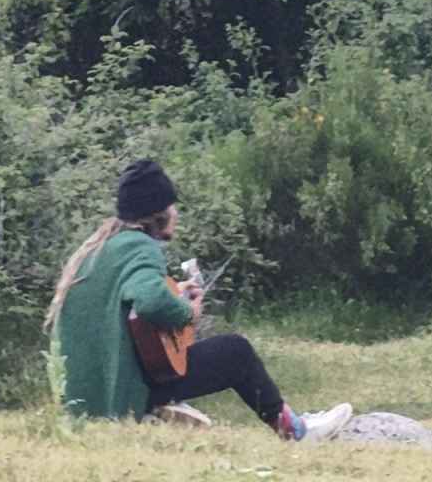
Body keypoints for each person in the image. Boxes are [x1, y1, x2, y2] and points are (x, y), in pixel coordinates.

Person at [44, 159, 352, 440]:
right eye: (173, 206)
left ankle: (164, 412)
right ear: (158, 213)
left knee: (177, 356)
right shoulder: (141, 247)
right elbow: (150, 302)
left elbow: (121, 307)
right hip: (124, 397)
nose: (176, 214)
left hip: (84, 401)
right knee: (236, 351)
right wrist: (187, 311)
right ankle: (297, 432)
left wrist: (174, 291)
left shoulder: (97, 250)